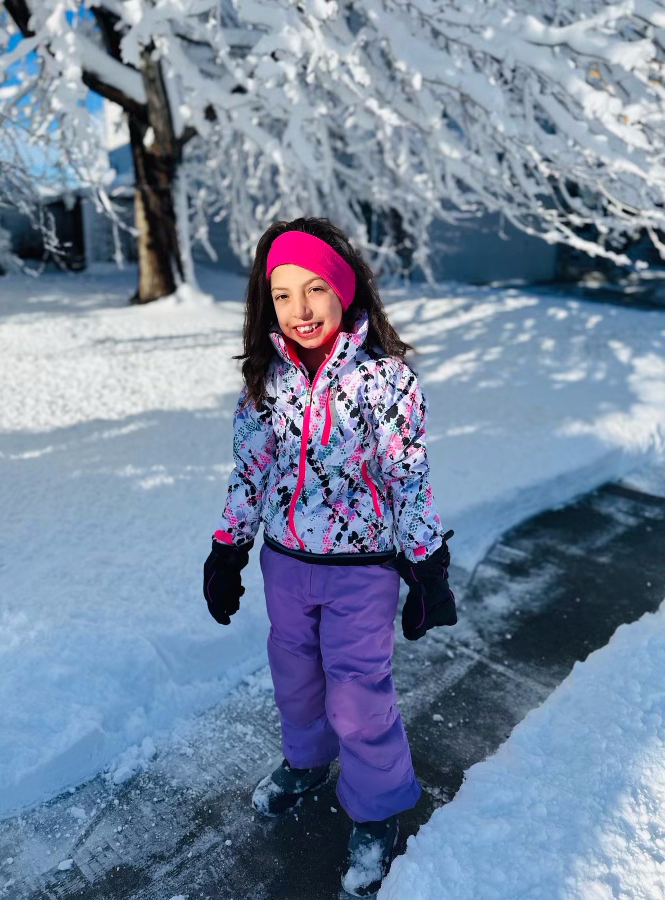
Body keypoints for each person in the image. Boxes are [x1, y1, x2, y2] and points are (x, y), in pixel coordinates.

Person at [203, 217, 456, 897]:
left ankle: (378, 809)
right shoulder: (266, 379)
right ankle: (307, 763)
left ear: (345, 290)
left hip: (361, 571)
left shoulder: (385, 380)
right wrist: (227, 549)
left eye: (315, 288)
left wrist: (427, 565)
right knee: (294, 677)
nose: (301, 309)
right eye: (283, 294)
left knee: (358, 697)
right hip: (285, 564)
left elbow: (407, 476)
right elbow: (250, 472)